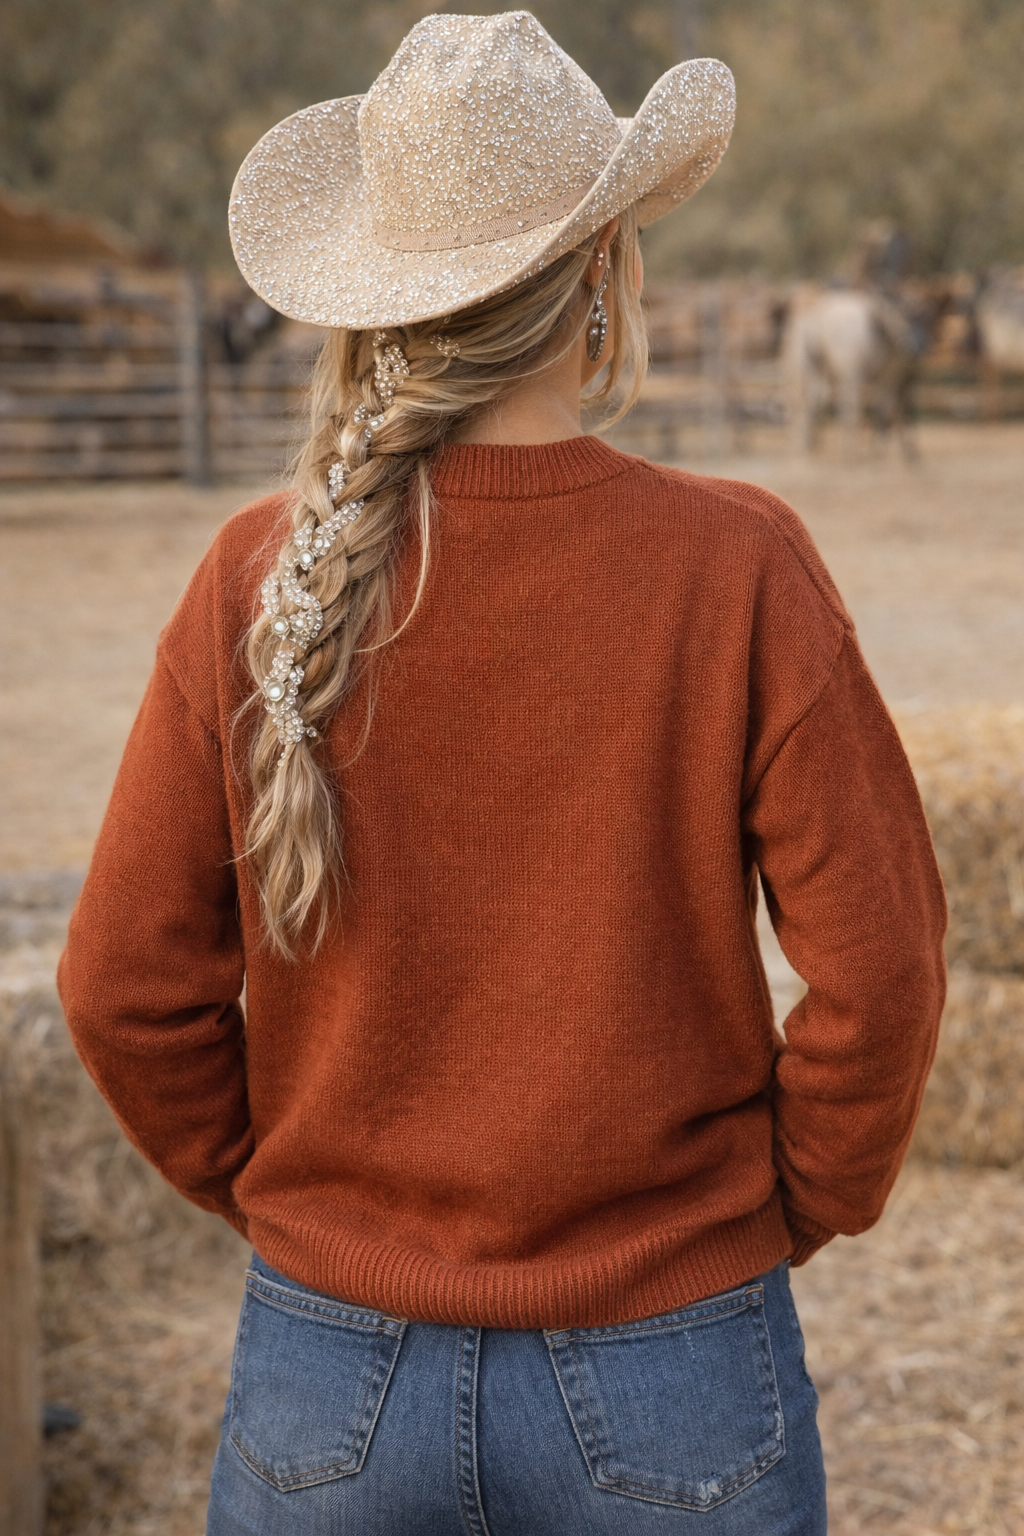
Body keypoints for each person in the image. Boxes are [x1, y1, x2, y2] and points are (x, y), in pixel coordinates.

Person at [57, 13, 946, 1535]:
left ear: (376, 293)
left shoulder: (250, 575)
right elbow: (886, 976)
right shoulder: (735, 567)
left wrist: (297, 1205)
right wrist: (789, 1208)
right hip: (677, 1349)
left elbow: (119, 990)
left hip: (325, 1376)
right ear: (603, 272)